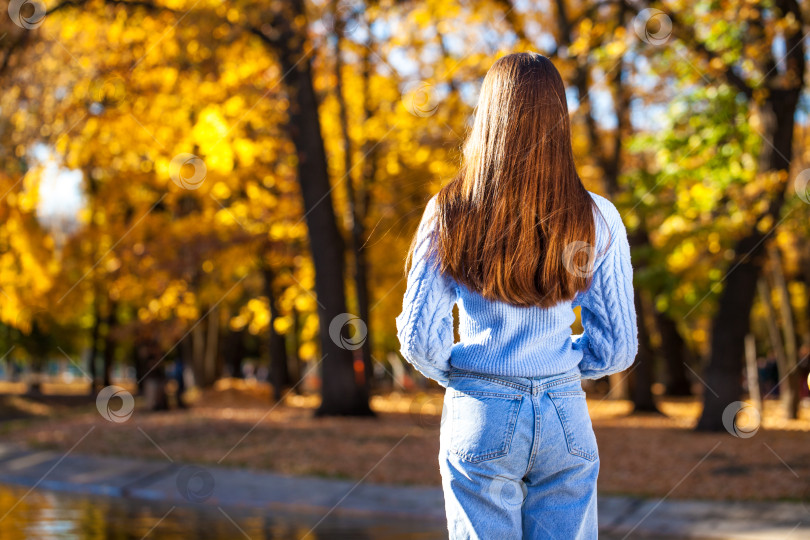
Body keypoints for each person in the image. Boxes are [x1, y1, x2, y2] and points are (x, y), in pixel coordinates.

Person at [395, 53, 639, 539]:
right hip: (564, 415)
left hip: (479, 412)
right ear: (560, 119)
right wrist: (562, 367)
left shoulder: (449, 209)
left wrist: (469, 376)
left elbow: (419, 339)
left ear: (489, 115)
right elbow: (618, 348)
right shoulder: (597, 217)